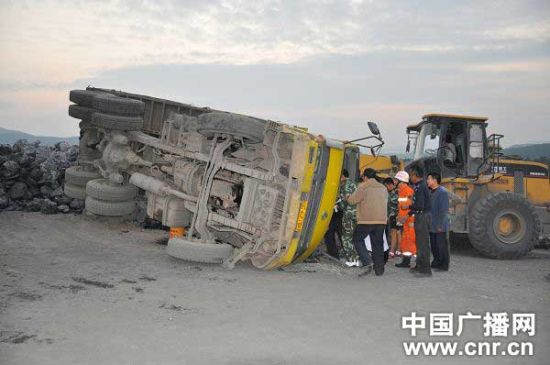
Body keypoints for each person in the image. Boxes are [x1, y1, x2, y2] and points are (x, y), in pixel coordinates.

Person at [347, 168, 388, 276]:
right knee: (378, 244)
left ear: (365, 177)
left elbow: (353, 200)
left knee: (357, 239)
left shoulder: (363, 186)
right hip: (381, 220)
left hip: (366, 220)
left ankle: (367, 261)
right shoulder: (383, 187)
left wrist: (347, 197)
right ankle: (379, 270)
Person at [406, 165, 432, 277]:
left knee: (423, 244)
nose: (410, 177)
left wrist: (409, 207)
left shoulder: (420, 187)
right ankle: (419, 266)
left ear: (415, 175)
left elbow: (420, 205)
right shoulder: (418, 186)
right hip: (420, 216)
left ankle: (425, 270)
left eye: (411, 174)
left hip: (422, 217)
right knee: (419, 243)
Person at [427, 172, 450, 271]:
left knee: (441, 246)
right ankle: (436, 261)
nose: (427, 181)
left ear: (435, 180)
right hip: (432, 223)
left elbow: (444, 210)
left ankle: (444, 264)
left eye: (429, 179)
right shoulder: (430, 191)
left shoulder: (442, 192)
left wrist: (440, 225)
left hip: (439, 224)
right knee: (434, 245)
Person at [394, 171, 416, 268]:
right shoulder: (402, 191)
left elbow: (410, 206)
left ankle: (416, 262)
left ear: (401, 181)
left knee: (410, 241)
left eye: (396, 180)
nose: (394, 182)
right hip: (405, 220)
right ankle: (406, 261)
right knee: (405, 241)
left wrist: (405, 218)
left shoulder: (408, 191)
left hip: (409, 220)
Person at [338, 169, 360, 266]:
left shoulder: (345, 186)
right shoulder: (354, 184)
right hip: (357, 214)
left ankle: (351, 259)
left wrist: (338, 206)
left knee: (346, 238)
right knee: (354, 237)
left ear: (342, 176)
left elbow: (345, 201)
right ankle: (356, 258)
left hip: (349, 214)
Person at [383, 177, 399, 258]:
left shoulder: (395, 193)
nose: (385, 188)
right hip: (389, 216)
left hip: (395, 216)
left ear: (390, 185)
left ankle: (392, 251)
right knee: (392, 234)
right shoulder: (388, 193)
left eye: (386, 186)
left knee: (394, 233)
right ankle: (394, 251)